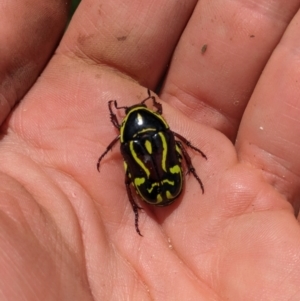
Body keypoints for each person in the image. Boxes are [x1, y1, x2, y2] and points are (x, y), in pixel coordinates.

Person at [1, 1, 300, 299]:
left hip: (151, 188)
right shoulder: (162, 131)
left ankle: (144, 204)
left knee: (133, 176)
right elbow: (182, 145)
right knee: (173, 150)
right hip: (169, 182)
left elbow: (167, 146)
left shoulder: (125, 141)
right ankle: (179, 180)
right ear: (156, 117)